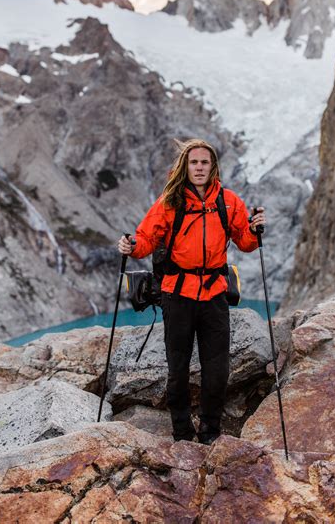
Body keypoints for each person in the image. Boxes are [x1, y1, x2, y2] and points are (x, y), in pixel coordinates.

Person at [118, 138, 265, 444]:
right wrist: (131, 246)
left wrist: (253, 230)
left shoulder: (228, 201)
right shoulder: (169, 202)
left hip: (214, 293)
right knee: (178, 370)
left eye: (204, 162)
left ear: (213, 167)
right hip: (177, 294)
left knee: (217, 369)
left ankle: (211, 432)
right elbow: (146, 239)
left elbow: (246, 243)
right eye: (194, 162)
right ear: (185, 167)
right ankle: (182, 433)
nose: (199, 167)